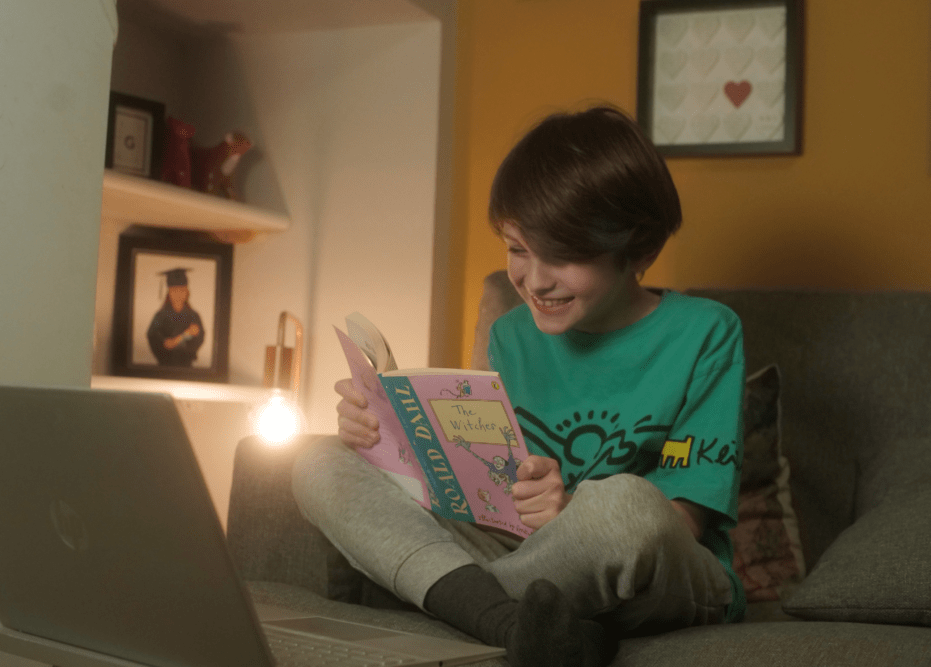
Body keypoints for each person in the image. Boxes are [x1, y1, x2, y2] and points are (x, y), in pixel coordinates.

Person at [292, 105, 745, 667]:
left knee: (624, 507)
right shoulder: (511, 332)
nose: (534, 280)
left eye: (564, 255)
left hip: (657, 568)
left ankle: (443, 592)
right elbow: (485, 494)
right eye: (518, 248)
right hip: (527, 554)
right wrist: (386, 441)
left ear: (638, 249)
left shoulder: (704, 332)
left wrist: (569, 509)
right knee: (317, 459)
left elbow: (681, 520)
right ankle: (518, 624)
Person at [146, 267, 205, 367]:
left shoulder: (193, 316)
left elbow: (200, 337)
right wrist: (164, 342)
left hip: (186, 364)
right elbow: (152, 334)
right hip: (164, 364)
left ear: (187, 292)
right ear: (169, 293)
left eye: (181, 290)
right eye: (174, 291)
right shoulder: (160, 315)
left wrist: (194, 336)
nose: (178, 294)